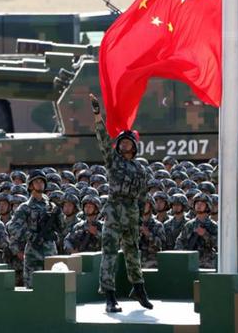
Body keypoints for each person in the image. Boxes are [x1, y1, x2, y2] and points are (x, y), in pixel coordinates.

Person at [89, 93, 152, 313]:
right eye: (122, 143)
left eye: (128, 143)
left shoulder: (140, 169)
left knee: (133, 251)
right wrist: (98, 116)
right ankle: (109, 296)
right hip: (115, 210)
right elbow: (103, 140)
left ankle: (139, 289)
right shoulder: (113, 161)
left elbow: (143, 196)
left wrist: (141, 218)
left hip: (132, 212)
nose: (125, 146)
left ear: (134, 147)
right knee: (110, 253)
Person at [8, 170, 64, 288]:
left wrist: (55, 231)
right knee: (32, 288)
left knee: (52, 288)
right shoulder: (25, 207)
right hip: (33, 253)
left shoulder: (51, 206)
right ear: (30, 185)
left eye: (41, 182)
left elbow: (61, 227)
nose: (40, 184)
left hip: (50, 251)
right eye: (36, 182)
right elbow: (12, 227)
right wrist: (31, 236)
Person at [175, 193, 218, 268]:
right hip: (190, 262)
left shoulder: (213, 225)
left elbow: (218, 244)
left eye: (201, 204)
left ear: (207, 206)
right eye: (197, 203)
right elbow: (179, 241)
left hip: (207, 263)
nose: (199, 205)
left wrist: (205, 235)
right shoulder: (189, 225)